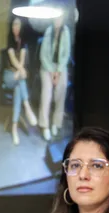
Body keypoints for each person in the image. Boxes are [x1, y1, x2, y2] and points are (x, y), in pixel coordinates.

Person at [4, 17, 38, 146]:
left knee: (19, 89)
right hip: (9, 75)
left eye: (18, 24)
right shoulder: (9, 41)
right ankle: (27, 107)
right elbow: (13, 60)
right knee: (20, 80)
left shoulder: (23, 42)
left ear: (21, 26)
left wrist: (20, 71)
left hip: (18, 76)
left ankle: (14, 129)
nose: (16, 27)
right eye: (14, 24)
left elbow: (22, 59)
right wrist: (21, 71)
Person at [38, 14, 71, 142]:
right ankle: (45, 125)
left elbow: (66, 55)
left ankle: (56, 123)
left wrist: (58, 72)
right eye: (55, 18)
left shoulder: (66, 32)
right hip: (47, 66)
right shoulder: (48, 31)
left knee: (61, 91)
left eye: (59, 18)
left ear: (62, 19)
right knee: (46, 93)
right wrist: (51, 71)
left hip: (60, 67)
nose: (57, 20)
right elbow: (43, 55)